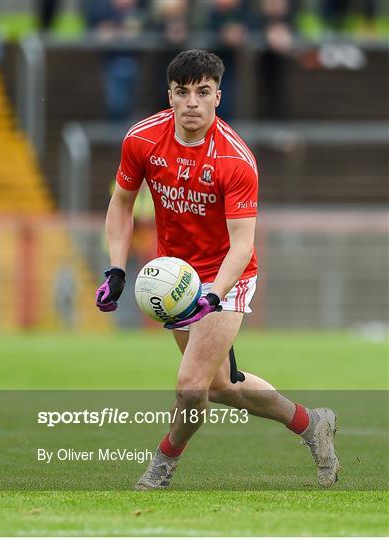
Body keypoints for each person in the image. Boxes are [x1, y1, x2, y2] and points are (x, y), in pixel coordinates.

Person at [95, 49, 339, 490]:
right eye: (182, 92)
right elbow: (121, 204)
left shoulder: (235, 159)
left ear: (217, 97)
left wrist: (212, 297)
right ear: (169, 96)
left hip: (229, 275)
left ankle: (160, 469)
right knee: (221, 386)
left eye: (202, 92)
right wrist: (115, 270)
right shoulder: (142, 140)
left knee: (191, 386)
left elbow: (243, 244)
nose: (192, 101)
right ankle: (311, 423)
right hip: (176, 276)